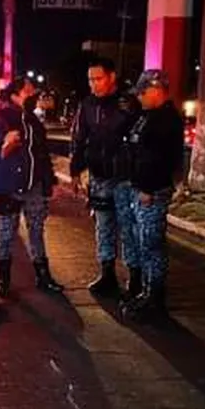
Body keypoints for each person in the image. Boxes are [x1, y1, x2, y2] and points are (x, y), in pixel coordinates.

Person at [69, 56, 145, 297]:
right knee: (103, 226)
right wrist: (75, 169)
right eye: (90, 79)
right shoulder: (88, 105)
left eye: (98, 79)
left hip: (124, 177)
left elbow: (142, 139)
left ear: (112, 77)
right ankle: (107, 273)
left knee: (128, 227)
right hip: (99, 176)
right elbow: (79, 139)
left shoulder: (130, 103)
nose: (94, 84)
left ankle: (135, 276)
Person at [0, 76, 62, 298]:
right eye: (28, 92)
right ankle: (3, 280)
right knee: (7, 232)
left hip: (34, 185)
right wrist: (3, 137)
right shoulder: (2, 116)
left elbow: (42, 153)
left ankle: (43, 276)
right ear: (15, 94)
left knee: (36, 230)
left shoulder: (33, 121)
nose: (33, 95)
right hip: (8, 185)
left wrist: (49, 181)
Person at [122, 70, 185, 317]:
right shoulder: (147, 116)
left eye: (143, 92)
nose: (139, 97)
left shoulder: (166, 120)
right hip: (141, 190)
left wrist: (148, 188)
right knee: (143, 243)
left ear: (157, 90)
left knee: (152, 245)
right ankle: (147, 293)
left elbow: (160, 160)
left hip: (152, 192)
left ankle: (155, 299)